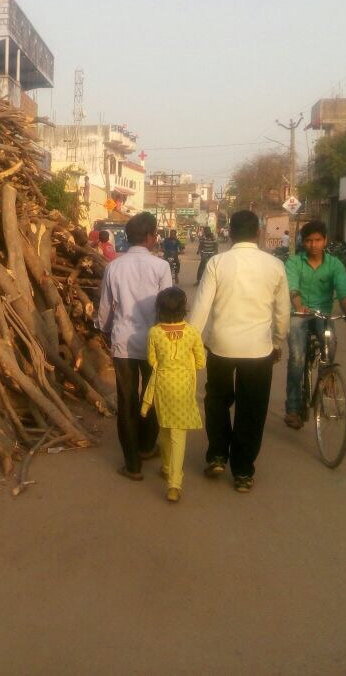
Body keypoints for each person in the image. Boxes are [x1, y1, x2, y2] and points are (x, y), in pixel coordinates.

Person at [188, 210, 290, 493]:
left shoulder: (217, 263)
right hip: (259, 350)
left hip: (221, 346)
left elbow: (201, 308)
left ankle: (218, 455)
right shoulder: (274, 265)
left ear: (230, 233)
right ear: (257, 233)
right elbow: (282, 312)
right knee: (252, 409)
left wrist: (190, 343)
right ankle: (243, 471)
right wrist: (278, 342)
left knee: (217, 401)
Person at [97, 212, 173, 480]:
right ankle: (146, 446)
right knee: (151, 397)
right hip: (155, 343)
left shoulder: (114, 267)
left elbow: (106, 309)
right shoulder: (161, 267)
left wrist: (105, 331)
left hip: (124, 344)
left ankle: (132, 465)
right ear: (151, 236)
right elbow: (169, 310)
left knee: (127, 400)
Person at [283, 220, 346, 430]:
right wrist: (299, 306)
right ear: (303, 243)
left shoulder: (335, 264)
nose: (313, 245)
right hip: (299, 314)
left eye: (317, 240)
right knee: (297, 358)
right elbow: (293, 288)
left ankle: (327, 378)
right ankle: (293, 408)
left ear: (325, 241)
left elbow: (343, 291)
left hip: (322, 314)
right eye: (308, 241)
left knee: (330, 341)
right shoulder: (294, 263)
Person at [141, 287, 205, 502]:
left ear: (159, 309)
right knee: (178, 434)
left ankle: (167, 467)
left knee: (165, 427)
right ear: (184, 308)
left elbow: (151, 361)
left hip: (163, 386)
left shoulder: (154, 332)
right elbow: (201, 362)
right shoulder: (192, 332)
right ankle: (174, 484)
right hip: (184, 386)